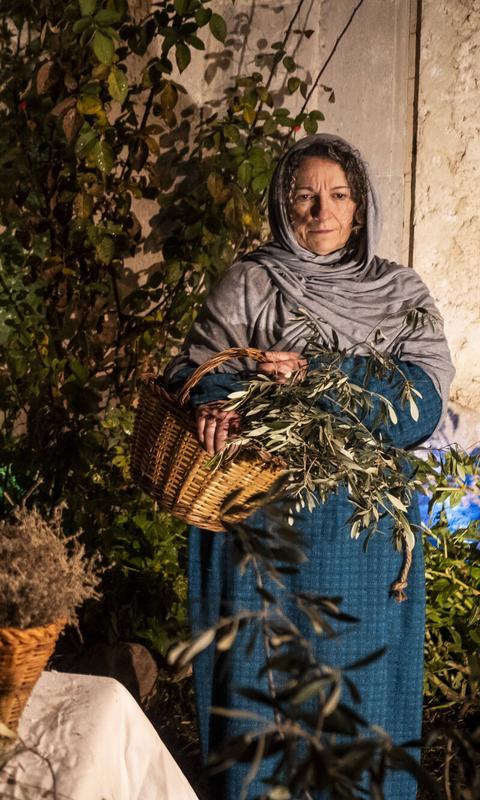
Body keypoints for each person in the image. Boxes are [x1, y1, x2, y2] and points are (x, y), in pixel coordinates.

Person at [165, 134, 453, 799]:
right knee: (264, 703)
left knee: (360, 705)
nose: (322, 211)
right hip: (267, 528)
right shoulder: (251, 281)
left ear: (360, 207)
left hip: (366, 537)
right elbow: (198, 371)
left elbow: (420, 403)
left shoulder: (399, 290)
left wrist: (322, 376)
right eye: (305, 196)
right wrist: (216, 402)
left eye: (339, 195)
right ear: (281, 204)